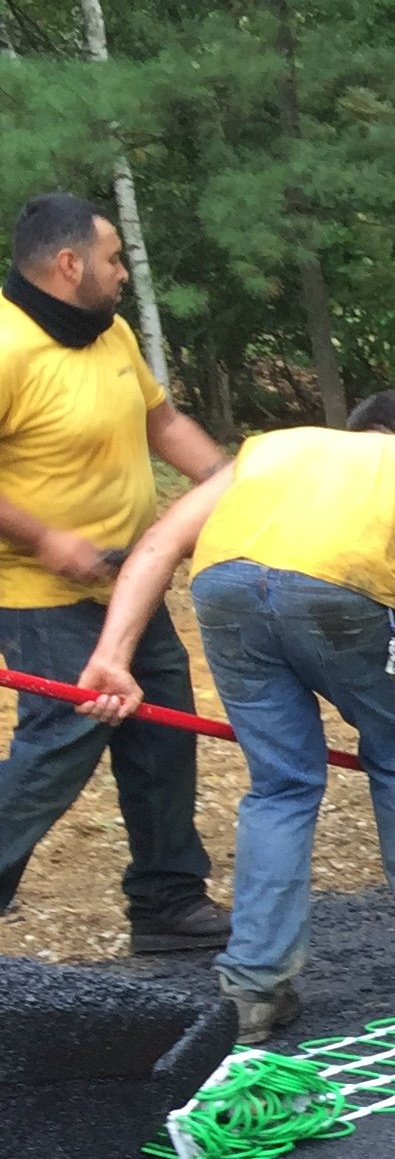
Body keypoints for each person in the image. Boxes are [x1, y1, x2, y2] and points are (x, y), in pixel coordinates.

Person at [78, 390, 395, 1044]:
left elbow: (159, 544)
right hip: (342, 589)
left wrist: (111, 657)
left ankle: (254, 989)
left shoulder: (270, 449)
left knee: (281, 784)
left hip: (223, 587)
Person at [0, 190, 235, 951]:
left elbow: (163, 423)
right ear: (70, 265)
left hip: (129, 580)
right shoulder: (5, 346)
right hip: (39, 592)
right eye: (114, 258)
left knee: (162, 730)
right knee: (63, 738)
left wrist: (233, 487)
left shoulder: (111, 333)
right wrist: (47, 540)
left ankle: (167, 902)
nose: (124, 272)